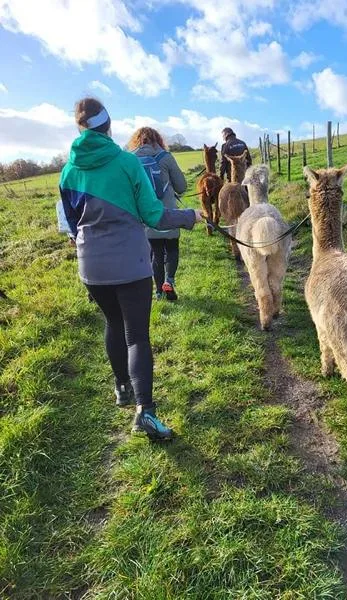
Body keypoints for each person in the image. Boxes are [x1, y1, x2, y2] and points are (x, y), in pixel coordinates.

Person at [59, 97, 203, 441]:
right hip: (130, 264)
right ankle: (146, 413)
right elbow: (154, 215)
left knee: (113, 323)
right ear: (108, 125)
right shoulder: (125, 163)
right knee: (137, 335)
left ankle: (122, 387)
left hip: (91, 267)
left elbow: (69, 224)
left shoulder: (68, 171)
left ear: (80, 127)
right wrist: (190, 216)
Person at [126, 127, 185, 301]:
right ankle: (169, 281)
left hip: (147, 217)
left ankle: (158, 291)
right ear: (158, 140)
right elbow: (181, 186)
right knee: (172, 249)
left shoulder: (131, 160)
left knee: (156, 253)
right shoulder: (166, 158)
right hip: (169, 214)